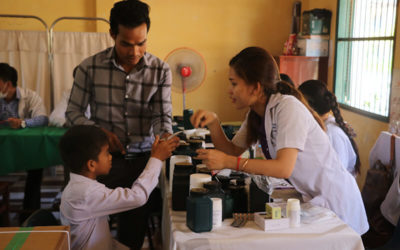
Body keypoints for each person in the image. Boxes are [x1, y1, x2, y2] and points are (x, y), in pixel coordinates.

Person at [191, 47, 369, 235]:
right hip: (313, 197)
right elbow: (232, 150)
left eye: (234, 83)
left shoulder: (287, 107)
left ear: (256, 87)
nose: (229, 91)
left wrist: (228, 163)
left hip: (336, 200)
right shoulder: (257, 113)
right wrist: (214, 124)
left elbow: (283, 168)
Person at [65, 1, 177, 248]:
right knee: (93, 228)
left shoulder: (160, 70)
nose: (135, 52)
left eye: (142, 43)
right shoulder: (89, 68)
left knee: (133, 232)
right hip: (104, 163)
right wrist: (99, 133)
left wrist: (164, 137)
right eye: (126, 43)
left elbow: (161, 116)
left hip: (142, 162)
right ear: (113, 34)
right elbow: (72, 113)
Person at [59, 125, 177, 250]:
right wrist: (156, 158)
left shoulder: (80, 187)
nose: (110, 157)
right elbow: (138, 197)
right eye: (106, 153)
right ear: (91, 165)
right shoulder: (85, 194)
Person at [0, 62, 49, 222]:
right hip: (3, 148)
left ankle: (29, 214)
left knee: (36, 168)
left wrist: (23, 123)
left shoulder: (30, 96)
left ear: (7, 83)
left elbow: (42, 119)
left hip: (25, 147)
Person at [298, 79, 361, 176]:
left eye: (299, 103)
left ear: (310, 105)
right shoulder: (321, 126)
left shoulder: (332, 134)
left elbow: (337, 175)